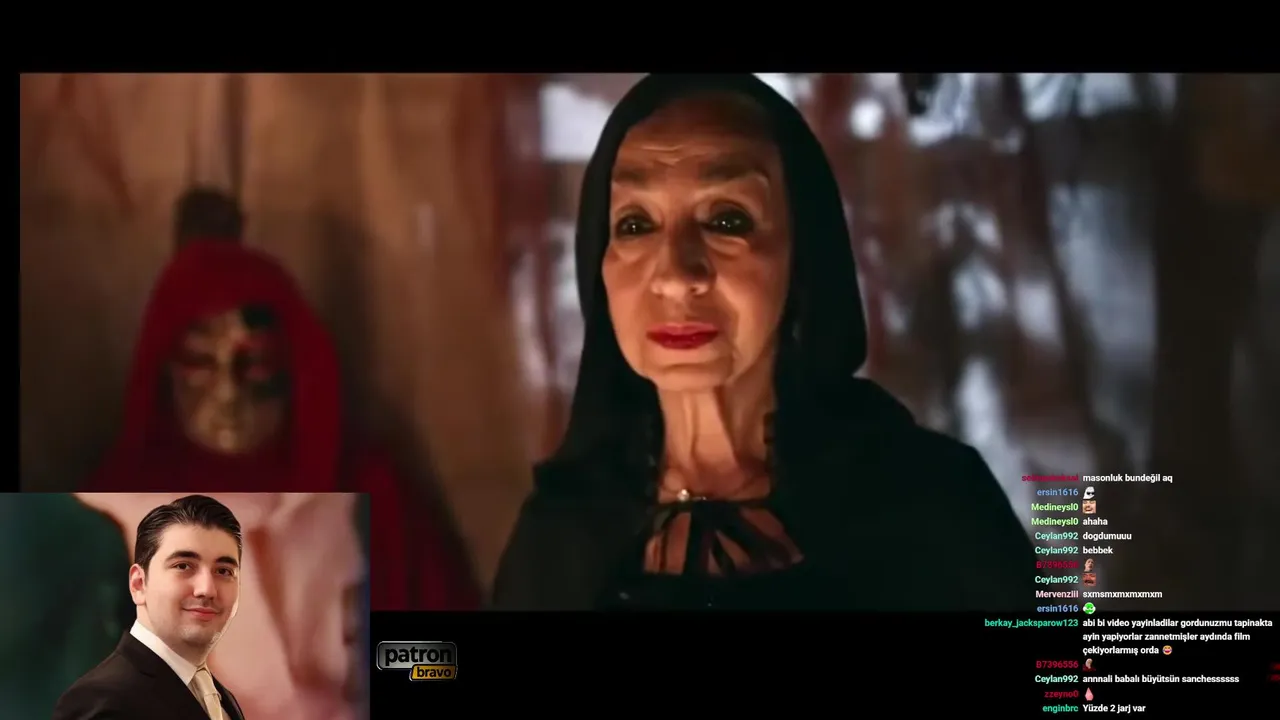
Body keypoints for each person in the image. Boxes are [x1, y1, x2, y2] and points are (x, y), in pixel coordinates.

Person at [491, 73, 1036, 611]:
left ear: (801, 256)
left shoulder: (929, 502)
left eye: (727, 220)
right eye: (635, 225)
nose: (676, 276)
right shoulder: (558, 539)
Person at [82, 195, 477, 612]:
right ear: (162, 369)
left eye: (256, 363)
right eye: (199, 362)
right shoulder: (111, 503)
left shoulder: (374, 490)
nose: (228, 392)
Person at [53, 495, 247, 720]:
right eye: (183, 566)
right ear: (138, 583)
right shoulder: (100, 702)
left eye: (223, 571)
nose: (207, 589)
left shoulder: (221, 697)